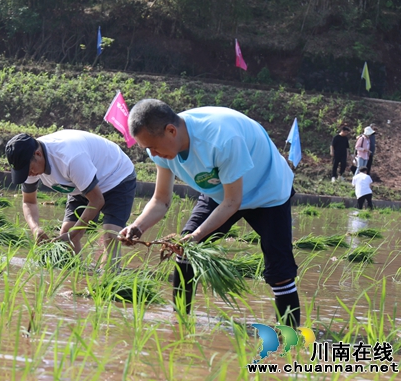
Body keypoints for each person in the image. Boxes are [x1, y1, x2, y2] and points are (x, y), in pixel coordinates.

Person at [119, 99, 300, 327]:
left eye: (153, 147)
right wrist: (137, 227)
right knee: (185, 252)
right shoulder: (161, 150)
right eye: (147, 148)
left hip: (268, 190)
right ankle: (180, 323)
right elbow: (161, 200)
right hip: (220, 191)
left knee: (280, 270)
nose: (152, 153)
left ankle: (289, 340)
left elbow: (233, 202)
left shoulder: (221, 139)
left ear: (171, 130)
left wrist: (197, 236)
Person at [5, 131, 136, 268]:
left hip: (116, 176)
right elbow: (29, 201)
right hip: (82, 183)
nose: (29, 174)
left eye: (30, 169)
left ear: (38, 154)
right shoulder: (29, 164)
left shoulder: (69, 158)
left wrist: (73, 233)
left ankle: (106, 283)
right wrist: (35, 229)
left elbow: (97, 201)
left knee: (110, 235)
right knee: (67, 234)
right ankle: (76, 278)